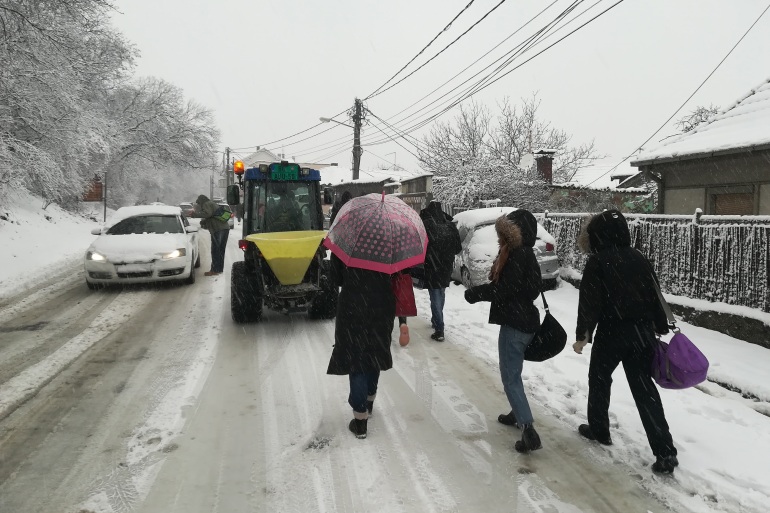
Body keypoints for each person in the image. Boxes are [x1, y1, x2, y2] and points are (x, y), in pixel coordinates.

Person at [572, 209, 678, 474]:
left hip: (611, 334)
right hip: (642, 335)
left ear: (597, 236)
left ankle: (599, 430)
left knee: (599, 380)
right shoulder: (639, 258)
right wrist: (659, 324)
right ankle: (665, 452)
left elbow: (589, 304)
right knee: (645, 392)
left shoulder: (598, 261)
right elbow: (655, 294)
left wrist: (582, 336)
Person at [464, 210, 544, 453]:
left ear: (513, 232)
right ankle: (517, 412)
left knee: (510, 376)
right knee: (514, 373)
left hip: (515, 324)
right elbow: (528, 288)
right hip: (525, 320)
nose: (499, 238)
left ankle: (528, 430)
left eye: (502, 233)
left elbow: (505, 289)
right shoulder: (526, 253)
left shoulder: (516, 255)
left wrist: (478, 293)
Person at [327, 253, 396, 439]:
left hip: (352, 304)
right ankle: (369, 400)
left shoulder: (347, 241)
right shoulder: (388, 242)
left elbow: (336, 278)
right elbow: (398, 273)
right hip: (382, 303)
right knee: (374, 351)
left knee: (356, 357)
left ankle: (360, 421)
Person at [419, 201, 461, 341]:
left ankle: (439, 329)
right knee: (440, 292)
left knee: (435, 295)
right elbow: (458, 248)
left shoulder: (427, 225)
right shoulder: (450, 226)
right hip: (446, 266)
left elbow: (421, 245)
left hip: (432, 265)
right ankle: (435, 319)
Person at [195, 194, 230, 276]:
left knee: (215, 250)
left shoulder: (206, 204)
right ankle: (219, 269)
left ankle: (214, 270)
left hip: (218, 229)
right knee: (221, 250)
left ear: (201, 201)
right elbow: (212, 215)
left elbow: (207, 214)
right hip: (225, 228)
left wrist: (194, 214)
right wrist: (204, 222)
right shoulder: (212, 203)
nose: (199, 206)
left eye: (199, 204)